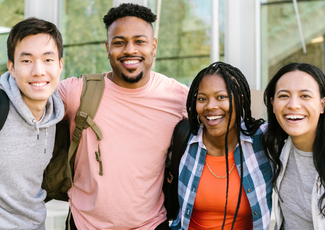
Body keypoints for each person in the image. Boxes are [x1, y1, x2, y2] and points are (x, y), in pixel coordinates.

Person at [59, 3, 188, 230]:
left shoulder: (178, 97)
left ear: (154, 46)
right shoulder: (77, 92)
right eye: (119, 43)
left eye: (139, 41)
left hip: (151, 224)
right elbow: (26, 98)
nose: (130, 50)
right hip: (84, 224)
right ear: (107, 47)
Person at [170, 61, 273, 230]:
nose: (210, 106)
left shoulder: (262, 140)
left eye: (221, 97)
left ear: (239, 101)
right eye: (202, 98)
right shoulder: (185, 139)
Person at [0, 17, 64, 229]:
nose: (38, 71)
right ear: (12, 67)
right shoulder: (2, 105)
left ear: (60, 65)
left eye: (48, 60)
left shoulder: (56, 113)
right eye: (26, 61)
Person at [263, 63, 325, 230]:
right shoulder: (272, 146)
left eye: (305, 96)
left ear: (322, 105)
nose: (293, 105)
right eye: (283, 96)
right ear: (273, 104)